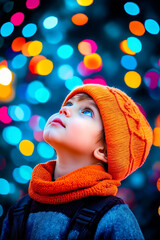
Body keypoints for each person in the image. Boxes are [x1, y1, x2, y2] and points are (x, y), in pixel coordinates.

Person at [1, 84, 153, 240]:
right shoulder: (20, 210)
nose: (64, 110)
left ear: (104, 151)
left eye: (86, 112)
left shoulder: (113, 216)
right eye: (69, 104)